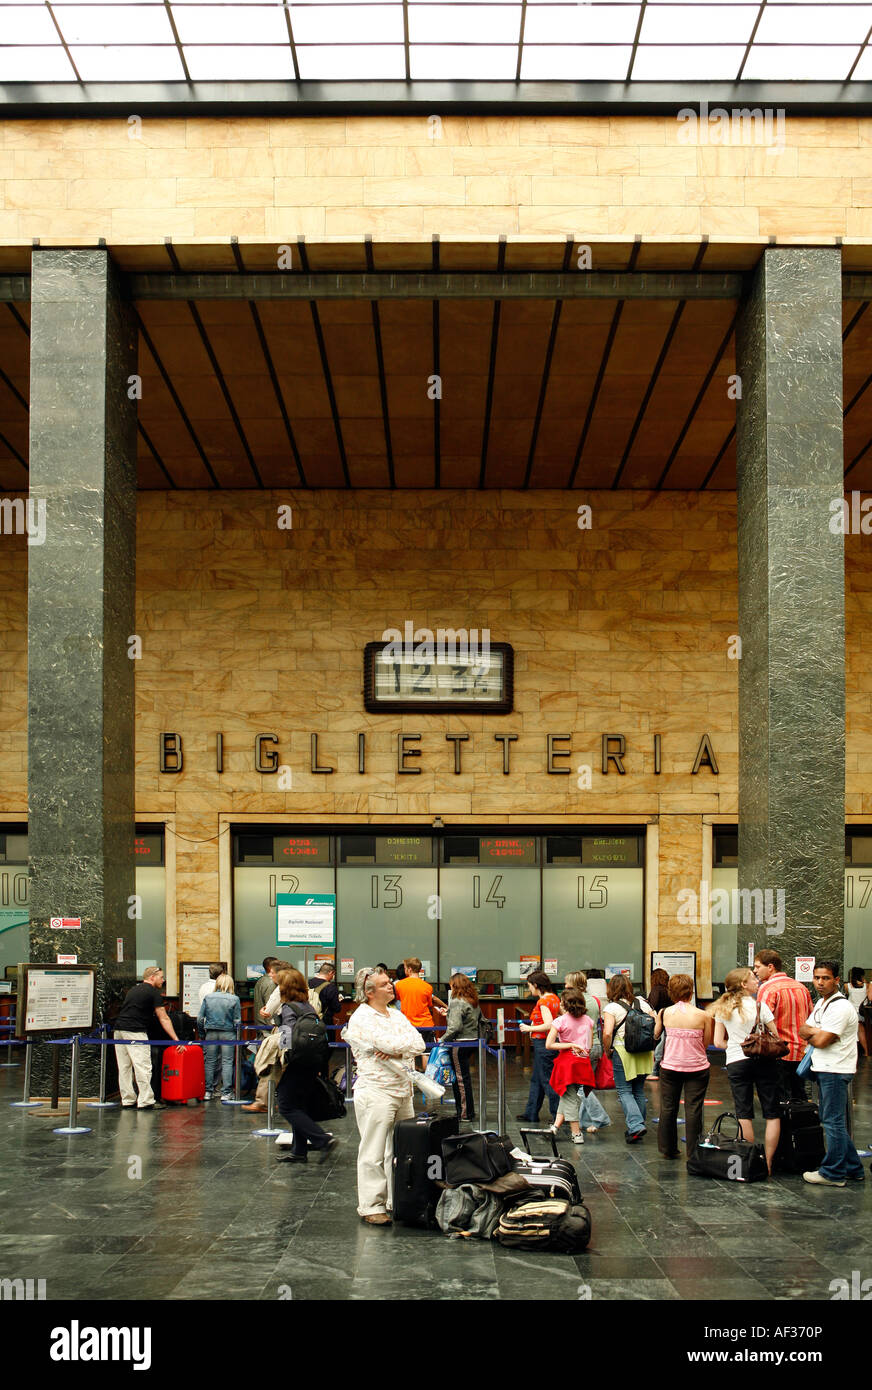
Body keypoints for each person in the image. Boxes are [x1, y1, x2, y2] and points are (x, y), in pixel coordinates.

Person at [343, 968, 427, 1224]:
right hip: (376, 1091)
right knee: (374, 1150)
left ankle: (395, 1198)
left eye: (390, 983)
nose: (391, 987)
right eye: (384, 985)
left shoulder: (396, 1015)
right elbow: (391, 1045)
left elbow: (419, 1043)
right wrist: (399, 1048)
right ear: (369, 992)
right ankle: (371, 1206)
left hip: (403, 1090)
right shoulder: (361, 1018)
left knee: (400, 1149)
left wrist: (395, 1050)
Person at [708, 967, 782, 1175]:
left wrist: (736, 1044)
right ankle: (768, 1163)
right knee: (772, 1113)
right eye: (753, 978)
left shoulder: (722, 1008)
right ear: (743, 984)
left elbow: (717, 1042)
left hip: (736, 1061)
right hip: (763, 1061)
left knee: (744, 1112)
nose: (757, 981)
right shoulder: (760, 1006)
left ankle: (752, 1161)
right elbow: (774, 1035)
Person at [799, 961, 865, 1187]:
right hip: (825, 1068)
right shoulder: (822, 1003)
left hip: (835, 1070)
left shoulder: (840, 1007)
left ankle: (833, 1173)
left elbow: (821, 1040)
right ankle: (853, 1168)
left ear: (837, 980)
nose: (820, 982)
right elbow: (803, 1029)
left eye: (825, 978)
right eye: (817, 978)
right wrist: (816, 1032)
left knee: (833, 1122)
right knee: (832, 1120)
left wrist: (815, 1033)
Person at [273, 968, 337, 1165]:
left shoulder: (288, 1008)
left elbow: (286, 1038)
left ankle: (321, 1139)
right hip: (312, 1061)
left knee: (285, 1105)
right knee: (299, 1104)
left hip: (296, 1062)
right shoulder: (308, 1007)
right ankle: (299, 1151)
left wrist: (282, 1060)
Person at [654, 974, 712, 1171]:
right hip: (697, 1067)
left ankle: (668, 1148)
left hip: (670, 1066)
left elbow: (656, 1034)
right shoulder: (703, 1015)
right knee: (694, 1108)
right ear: (691, 990)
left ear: (671, 991)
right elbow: (706, 1043)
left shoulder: (665, 1012)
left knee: (668, 1107)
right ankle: (693, 1151)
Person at [113, 966, 180, 1110]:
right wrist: (175, 1038)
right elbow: (164, 1018)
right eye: (161, 977)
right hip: (135, 1031)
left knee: (124, 1067)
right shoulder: (153, 992)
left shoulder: (133, 989)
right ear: (152, 977)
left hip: (118, 1030)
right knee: (143, 1065)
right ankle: (146, 1100)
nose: (163, 980)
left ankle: (128, 1099)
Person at [603, 975, 656, 1143]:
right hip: (645, 1052)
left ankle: (636, 1126)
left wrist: (608, 1050)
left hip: (623, 1051)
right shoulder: (644, 1004)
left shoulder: (611, 1008)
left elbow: (607, 1033)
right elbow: (656, 1024)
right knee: (638, 1090)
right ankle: (637, 1127)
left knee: (624, 1091)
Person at [753, 949, 812, 1101]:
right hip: (801, 1052)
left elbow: (761, 1022)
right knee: (799, 1096)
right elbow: (811, 1018)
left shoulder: (767, 988)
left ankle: (783, 1125)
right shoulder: (801, 988)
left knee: (779, 1099)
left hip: (778, 1053)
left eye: (758, 967)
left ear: (770, 967)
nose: (755, 971)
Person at [546, 989, 596, 1146]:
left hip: (566, 1063)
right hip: (583, 1062)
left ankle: (576, 1133)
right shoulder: (588, 1020)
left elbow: (549, 1044)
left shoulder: (560, 1021)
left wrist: (569, 1044)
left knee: (570, 1097)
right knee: (567, 1095)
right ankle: (555, 1127)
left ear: (564, 1004)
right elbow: (589, 1045)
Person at [242, 958, 291, 1114]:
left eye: (272, 973)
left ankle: (266, 1101)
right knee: (278, 1064)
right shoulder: (298, 986)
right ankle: (264, 1101)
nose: (270, 975)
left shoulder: (279, 989)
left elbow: (268, 1010)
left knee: (278, 1064)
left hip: (283, 1030)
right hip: (289, 1031)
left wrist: (266, 1012)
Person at [565, 970, 610, 1133]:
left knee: (580, 1088)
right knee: (584, 1086)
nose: (565, 986)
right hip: (595, 1045)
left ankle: (600, 1117)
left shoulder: (574, 1002)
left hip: (581, 1048)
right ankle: (584, 1120)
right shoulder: (595, 1001)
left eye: (567, 983)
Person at [516, 971, 562, 1124]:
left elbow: (550, 1023)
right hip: (548, 1043)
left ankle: (558, 1116)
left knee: (548, 1081)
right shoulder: (555, 998)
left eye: (529, 986)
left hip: (543, 1044)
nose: (529, 989)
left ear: (536, 985)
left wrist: (529, 1029)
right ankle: (531, 1112)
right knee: (537, 1079)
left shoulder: (543, 1002)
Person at [439, 972, 482, 1121]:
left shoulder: (457, 1001)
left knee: (460, 1080)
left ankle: (464, 1113)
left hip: (460, 1042)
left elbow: (455, 1027)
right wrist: (449, 1013)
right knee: (464, 1078)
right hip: (472, 1040)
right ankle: (467, 1111)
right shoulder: (472, 1000)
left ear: (455, 985)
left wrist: (442, 1039)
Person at [198, 972, 242, 1101]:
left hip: (210, 1033)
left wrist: (202, 1034)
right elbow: (237, 1021)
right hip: (228, 1033)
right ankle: (226, 1093)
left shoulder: (208, 997)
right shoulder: (234, 999)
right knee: (227, 1062)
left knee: (210, 1062)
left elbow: (200, 1018)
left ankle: (208, 1091)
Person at [394, 958, 447, 1035]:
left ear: (409, 969)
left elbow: (398, 999)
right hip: (426, 1025)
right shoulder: (427, 987)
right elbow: (429, 1004)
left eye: (405, 968)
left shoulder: (399, 985)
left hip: (408, 1025)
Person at [647, 967, 671, 1079]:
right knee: (663, 1045)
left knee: (657, 1046)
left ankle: (654, 1071)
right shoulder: (668, 990)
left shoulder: (656, 989)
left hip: (658, 1021)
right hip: (669, 1021)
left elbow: (652, 1006)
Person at [308, 960, 341, 1030]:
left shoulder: (308, 983)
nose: (332, 977)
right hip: (324, 1023)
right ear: (331, 973)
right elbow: (337, 1008)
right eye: (333, 975)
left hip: (307, 1021)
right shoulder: (331, 987)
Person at [846, 967, 869, 1059]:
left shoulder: (847, 986)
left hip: (850, 1012)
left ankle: (851, 1053)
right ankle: (866, 1052)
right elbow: (869, 997)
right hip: (862, 1012)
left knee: (849, 1032)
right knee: (862, 1032)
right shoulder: (867, 985)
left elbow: (847, 995)